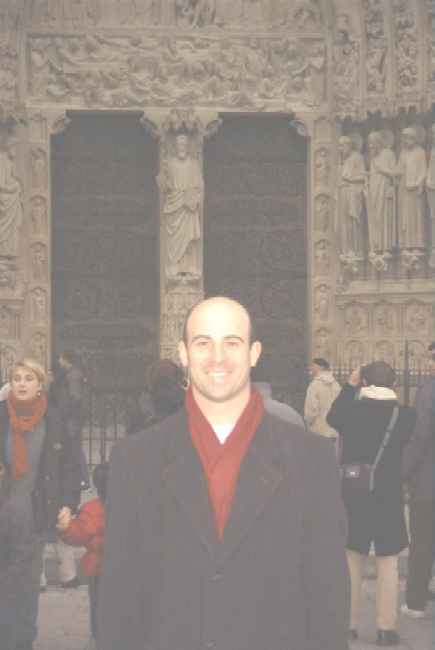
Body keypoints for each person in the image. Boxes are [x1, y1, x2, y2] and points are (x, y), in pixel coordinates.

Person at [98, 296, 349, 650]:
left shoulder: (311, 460)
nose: (217, 357)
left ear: (254, 353)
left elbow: (328, 601)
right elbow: (119, 603)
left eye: (232, 342)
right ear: (183, 354)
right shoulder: (134, 460)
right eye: (203, 343)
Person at [327, 361, 416, 646]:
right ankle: (385, 627)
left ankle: (349, 624)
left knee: (352, 557)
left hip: (355, 492)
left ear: (364, 381)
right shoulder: (405, 416)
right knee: (388, 561)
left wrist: (350, 386)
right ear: (393, 383)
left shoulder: (351, 411)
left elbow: (332, 417)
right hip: (388, 494)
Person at [0, 358, 81, 650]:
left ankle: (20, 642)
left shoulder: (53, 420)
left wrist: (68, 504)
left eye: (28, 379)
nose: (21, 383)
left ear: (39, 385)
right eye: (17, 378)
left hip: (31, 516)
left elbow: (72, 464)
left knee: (24, 589)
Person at [400, 342, 435, 618]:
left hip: (429, 483)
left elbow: (420, 435)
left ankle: (415, 602)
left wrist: (403, 471)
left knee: (423, 542)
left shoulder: (430, 390)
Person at [57, 462, 108, 646]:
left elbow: (79, 534)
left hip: (98, 567)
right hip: (120, 566)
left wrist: (65, 528)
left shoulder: (92, 509)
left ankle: (98, 637)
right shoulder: (127, 505)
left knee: (98, 607)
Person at [126, 359, 185, 435]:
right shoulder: (143, 403)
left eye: (166, 380)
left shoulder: (142, 402)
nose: (164, 390)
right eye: (161, 380)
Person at [304, 357, 341, 449]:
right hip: (333, 430)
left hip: (318, 431)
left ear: (319, 367)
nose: (310, 368)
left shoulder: (314, 385)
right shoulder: (337, 385)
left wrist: (308, 422)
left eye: (312, 365)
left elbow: (311, 410)